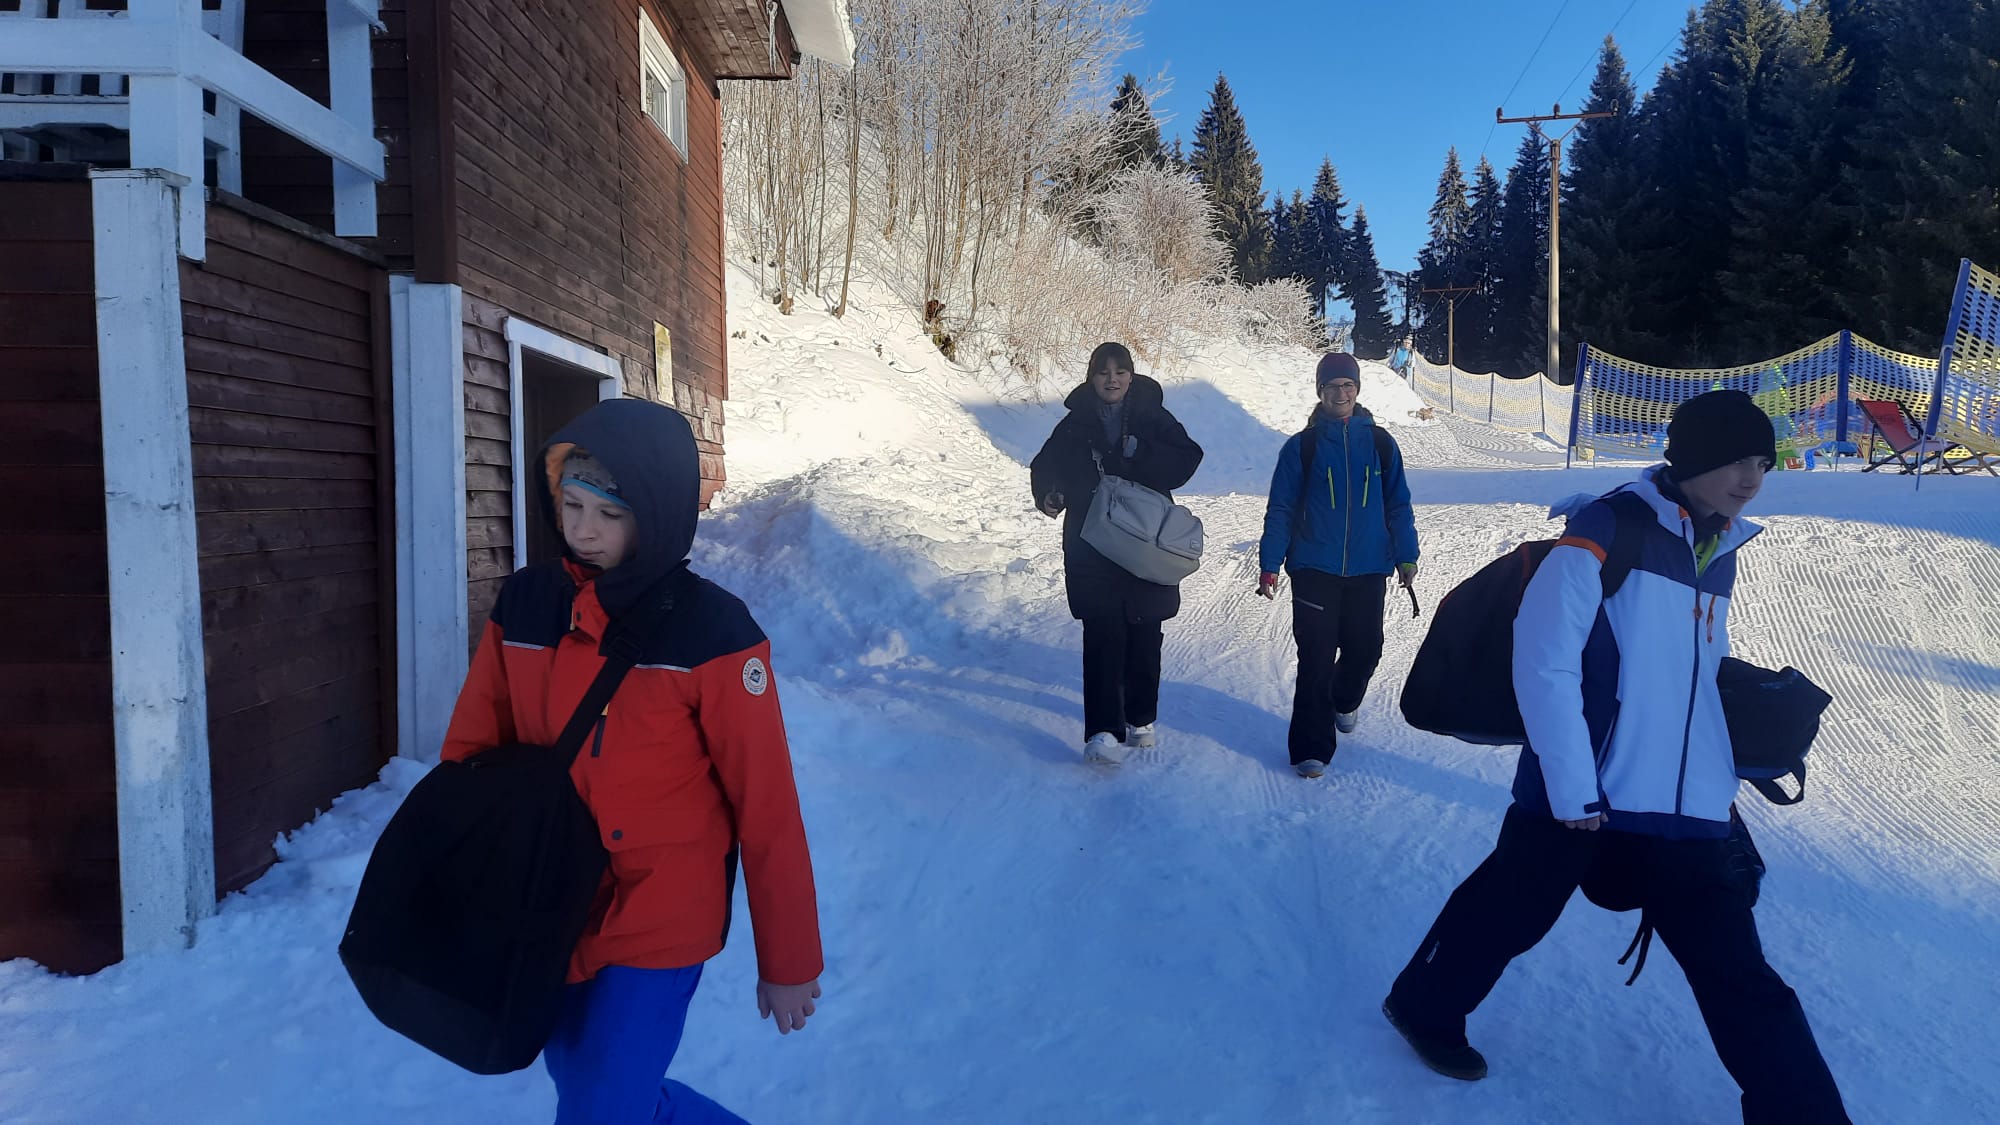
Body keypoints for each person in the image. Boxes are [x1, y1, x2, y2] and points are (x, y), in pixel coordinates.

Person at [1382, 390, 1849, 1124]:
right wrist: (1570, 786)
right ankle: (1421, 1005)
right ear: (1694, 457)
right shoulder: (1607, 529)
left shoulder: (1719, 549)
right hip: (1585, 790)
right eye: (1736, 460)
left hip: (1684, 810)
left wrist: (1718, 775)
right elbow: (1545, 662)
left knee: (1740, 976)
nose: (1752, 478)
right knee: (1507, 913)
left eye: (1762, 463)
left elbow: (1690, 673)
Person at [441, 399, 823, 1124]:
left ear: (657, 514)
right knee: (590, 1084)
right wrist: (462, 877)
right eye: (571, 505)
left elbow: (766, 805)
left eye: (609, 514)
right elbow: (471, 755)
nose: (583, 530)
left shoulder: (713, 631)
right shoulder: (526, 605)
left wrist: (790, 959)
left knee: (602, 1106)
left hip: (659, 910)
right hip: (549, 900)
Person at [1030, 342, 1204, 764]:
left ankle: (1140, 716)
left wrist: (1141, 453)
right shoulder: (1074, 422)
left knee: (1144, 629)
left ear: (1131, 376)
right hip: (1091, 541)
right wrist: (1050, 493)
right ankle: (1103, 731)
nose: (1112, 379)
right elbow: (1045, 465)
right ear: (1091, 377)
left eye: (1120, 371)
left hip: (1145, 540)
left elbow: (1187, 459)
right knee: (1101, 631)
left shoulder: (1152, 415)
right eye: (1103, 372)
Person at [1256, 352, 1418, 778]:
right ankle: (1311, 749)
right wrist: (1270, 563)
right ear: (1320, 392)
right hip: (1313, 566)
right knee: (1315, 656)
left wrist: (1407, 554)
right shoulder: (1302, 447)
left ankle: (1345, 699)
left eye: (1347, 385)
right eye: (1332, 386)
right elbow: (1281, 509)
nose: (1340, 393)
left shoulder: (1381, 443)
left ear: (1357, 390)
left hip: (1369, 566)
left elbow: (1398, 504)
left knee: (1366, 649)